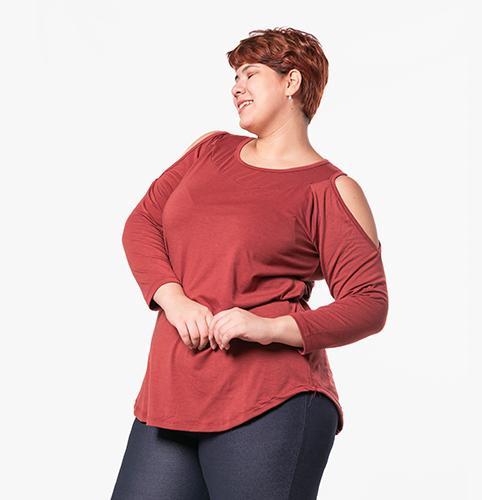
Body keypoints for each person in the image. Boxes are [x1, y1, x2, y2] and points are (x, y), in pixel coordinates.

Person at [111, 27, 389, 500]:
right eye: (234, 77)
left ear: (291, 82)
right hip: (171, 394)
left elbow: (369, 303)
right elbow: (142, 224)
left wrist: (268, 328)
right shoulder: (208, 151)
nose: (236, 87)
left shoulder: (329, 189)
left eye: (250, 74)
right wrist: (173, 298)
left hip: (270, 400)